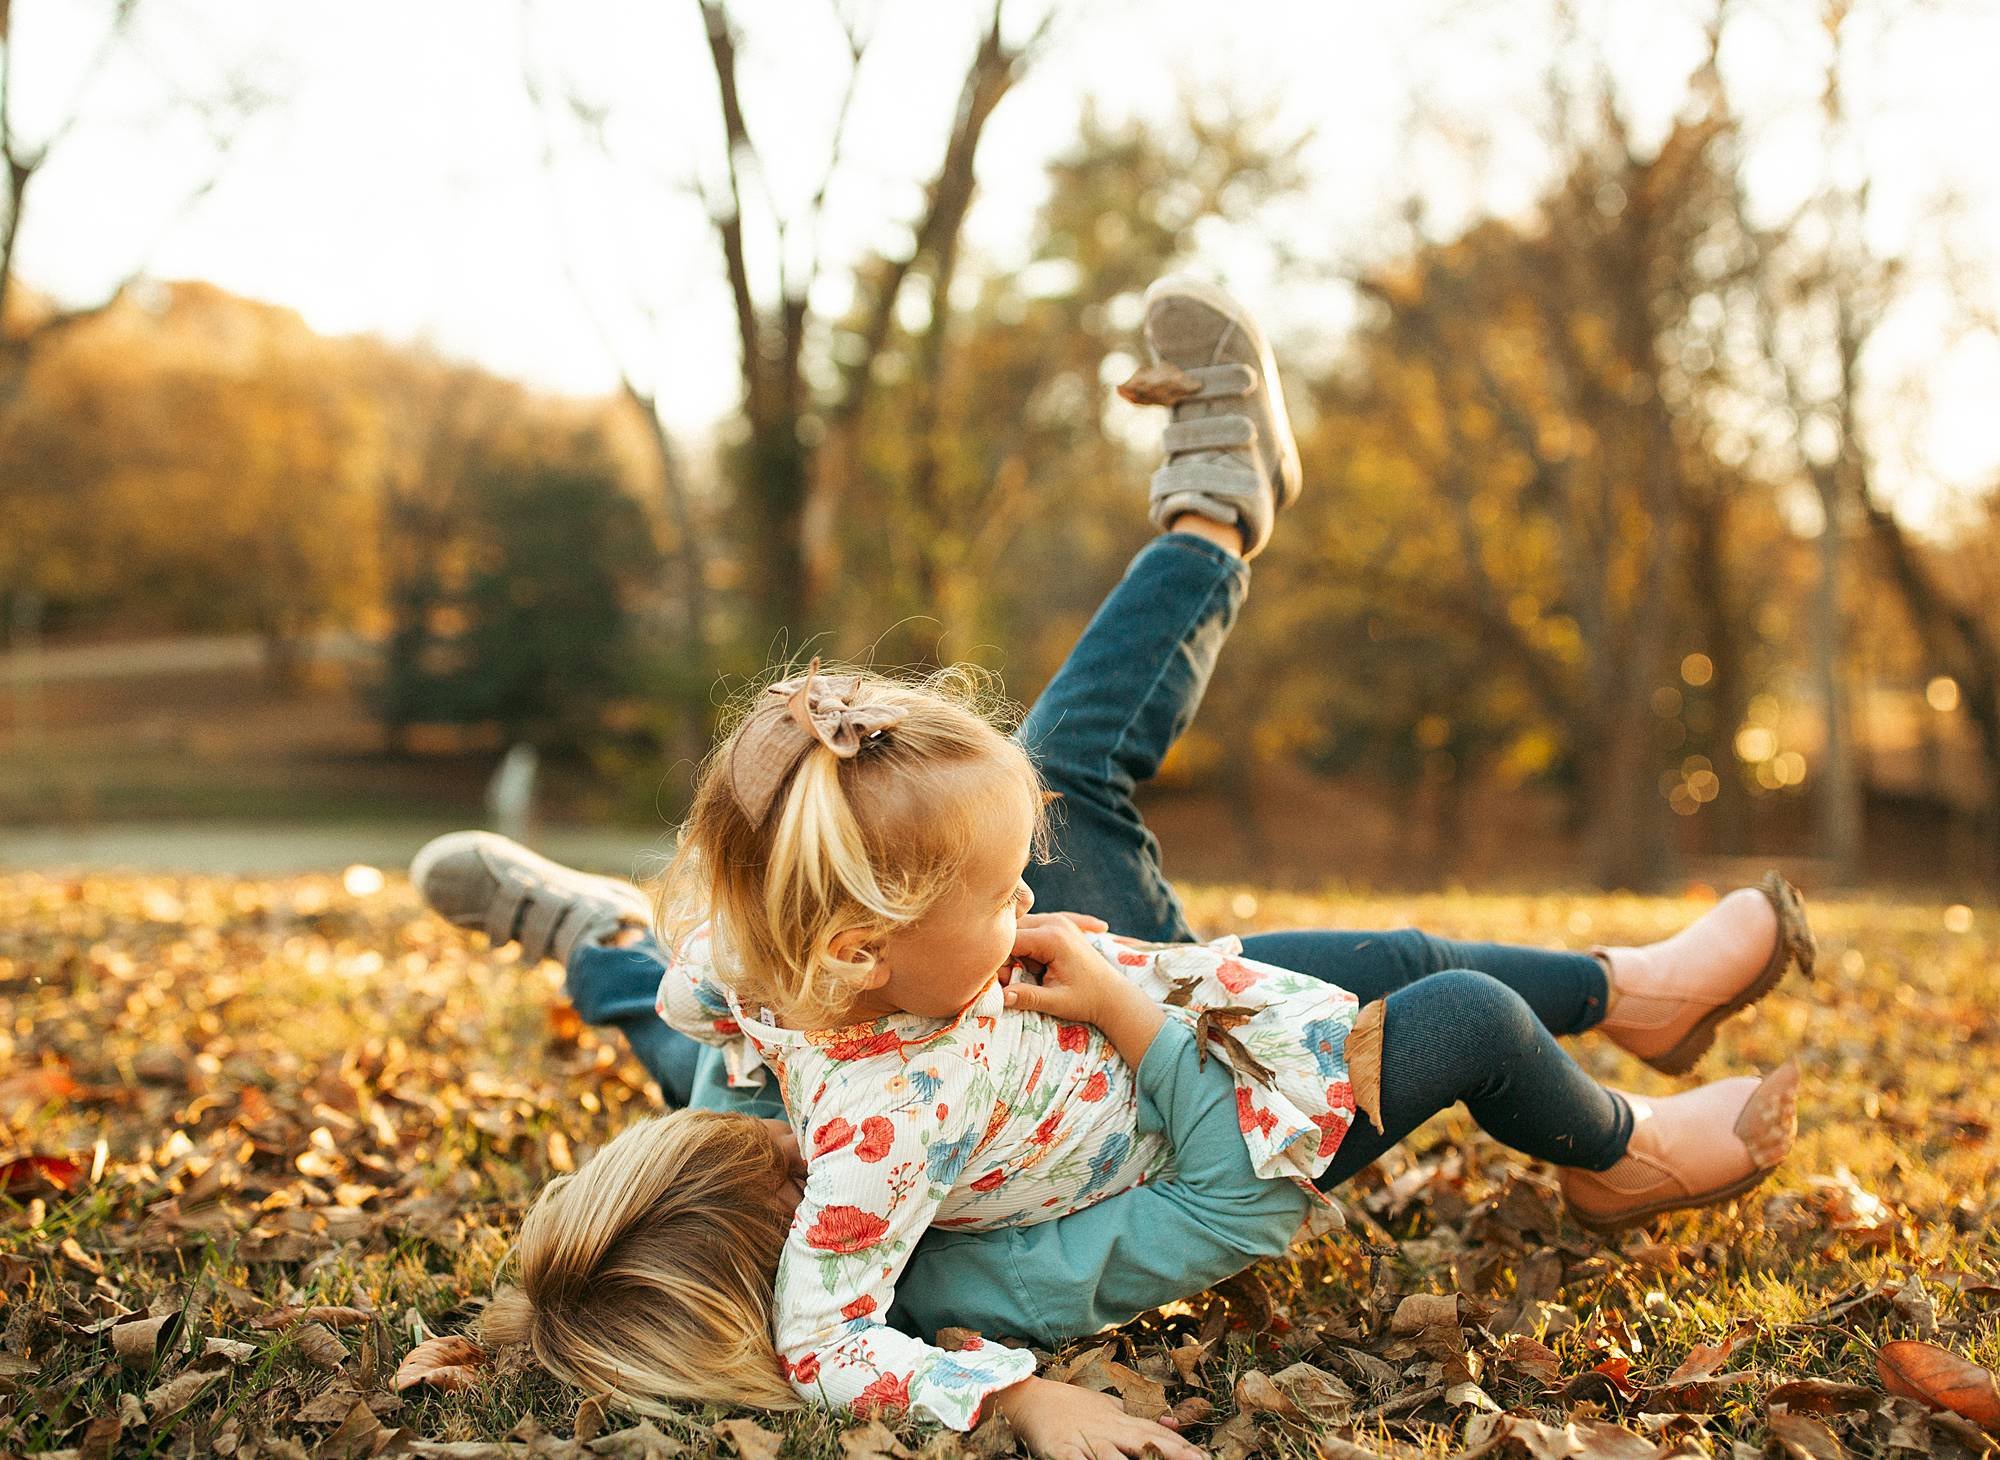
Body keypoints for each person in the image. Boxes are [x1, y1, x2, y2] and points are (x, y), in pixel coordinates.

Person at [413, 276, 1814, 1454]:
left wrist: (673, 980)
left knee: (706, 1010)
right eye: (798, 1183)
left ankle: (587, 938)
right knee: (1432, 996)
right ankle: (1618, 1147)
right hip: (1182, 1081)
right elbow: (852, 1329)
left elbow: (719, 1015)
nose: (788, 1130)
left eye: (757, 1137)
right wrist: (1019, 1399)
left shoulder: (776, 1046)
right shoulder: (874, 1196)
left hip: (1043, 1001)